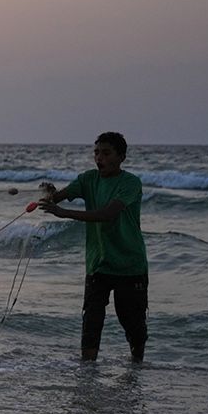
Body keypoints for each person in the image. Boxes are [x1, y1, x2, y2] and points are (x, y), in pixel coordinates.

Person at [38, 132, 149, 362]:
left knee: (132, 324)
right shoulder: (88, 179)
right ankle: (87, 378)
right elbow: (56, 199)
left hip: (130, 264)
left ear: (121, 157)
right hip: (98, 263)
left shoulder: (130, 183)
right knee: (91, 322)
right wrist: (49, 194)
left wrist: (65, 213)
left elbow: (108, 214)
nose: (99, 158)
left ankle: (137, 369)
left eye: (106, 153)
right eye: (96, 152)